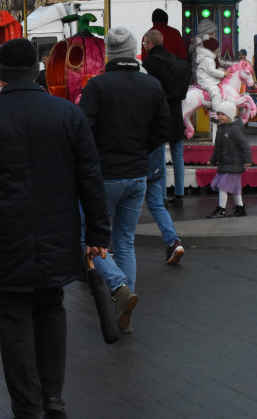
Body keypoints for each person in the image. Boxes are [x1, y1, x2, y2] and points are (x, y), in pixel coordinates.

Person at [0, 38, 110, 419]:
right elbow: (90, 176)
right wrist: (99, 233)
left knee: (12, 316)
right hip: (58, 233)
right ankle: (52, 395)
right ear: (37, 71)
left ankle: (26, 403)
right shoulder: (68, 115)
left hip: (5, 235)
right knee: (51, 307)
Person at [79, 26, 168, 333]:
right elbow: (163, 128)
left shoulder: (97, 87)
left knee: (89, 241)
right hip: (137, 173)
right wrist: (141, 148)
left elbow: (83, 131)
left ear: (109, 54)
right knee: (125, 242)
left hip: (105, 176)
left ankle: (118, 288)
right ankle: (123, 306)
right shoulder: (151, 86)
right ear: (133, 51)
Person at [142, 28, 192, 219]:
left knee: (160, 154)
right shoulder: (179, 63)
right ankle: (179, 194)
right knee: (178, 154)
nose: (145, 47)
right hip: (176, 112)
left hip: (158, 113)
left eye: (146, 43)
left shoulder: (150, 63)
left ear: (151, 44)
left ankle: (162, 196)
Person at [205, 100, 252, 218]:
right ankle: (240, 209)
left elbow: (244, 144)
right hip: (225, 163)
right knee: (235, 189)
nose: (219, 116)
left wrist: (247, 160)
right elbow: (217, 148)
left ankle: (221, 210)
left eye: (222, 114)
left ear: (230, 115)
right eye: (218, 114)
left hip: (234, 163)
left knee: (223, 186)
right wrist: (212, 159)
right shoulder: (221, 130)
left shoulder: (234, 130)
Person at [195, 37, 225, 114]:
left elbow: (213, 69)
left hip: (208, 78)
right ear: (211, 49)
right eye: (216, 48)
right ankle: (215, 113)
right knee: (216, 93)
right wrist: (224, 73)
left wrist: (223, 71)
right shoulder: (208, 59)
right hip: (206, 80)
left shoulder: (209, 58)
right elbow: (212, 71)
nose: (217, 50)